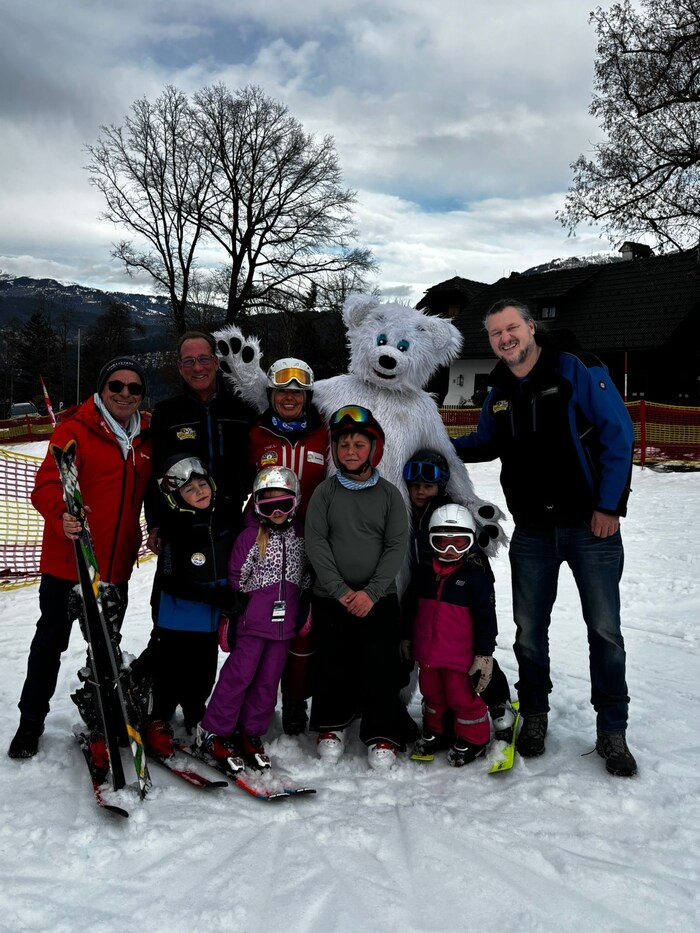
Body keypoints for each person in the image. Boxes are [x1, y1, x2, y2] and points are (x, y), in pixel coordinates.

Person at [453, 298, 637, 777]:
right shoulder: (497, 385)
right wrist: (436, 445)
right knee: (529, 633)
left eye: (511, 328)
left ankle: (612, 727)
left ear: (531, 327)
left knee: (605, 632)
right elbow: (485, 442)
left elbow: (619, 434)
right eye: (496, 333)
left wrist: (609, 506)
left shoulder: (576, 368)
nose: (505, 338)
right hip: (533, 530)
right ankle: (534, 714)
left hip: (589, 527)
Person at [8, 357, 152, 759]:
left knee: (106, 651)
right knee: (48, 647)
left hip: (115, 568)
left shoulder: (145, 439)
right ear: (102, 388)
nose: (125, 394)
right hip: (67, 565)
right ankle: (29, 724)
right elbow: (46, 486)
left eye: (134, 388)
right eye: (116, 386)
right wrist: (61, 514)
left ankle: (103, 716)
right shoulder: (74, 431)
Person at [304, 405, 409, 772]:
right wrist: (338, 589)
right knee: (332, 662)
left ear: (374, 449)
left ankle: (381, 731)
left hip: (377, 599)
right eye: (344, 444)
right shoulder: (325, 493)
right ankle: (332, 724)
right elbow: (316, 541)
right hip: (332, 598)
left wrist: (372, 592)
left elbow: (396, 545)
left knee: (379, 665)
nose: (350, 451)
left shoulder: (389, 496)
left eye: (358, 444)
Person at [196, 466, 311, 771]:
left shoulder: (299, 533)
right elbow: (237, 577)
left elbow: (305, 575)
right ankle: (215, 731)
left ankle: (251, 732)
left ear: (294, 503)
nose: (276, 512)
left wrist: (304, 608)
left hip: (284, 627)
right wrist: (235, 613)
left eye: (283, 505)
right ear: (257, 505)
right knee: (239, 677)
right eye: (268, 505)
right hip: (252, 624)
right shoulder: (250, 536)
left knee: (268, 682)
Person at [402, 449, 515, 741]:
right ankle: (438, 705)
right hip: (423, 584)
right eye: (415, 486)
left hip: (459, 585)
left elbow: (472, 550)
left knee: (468, 650)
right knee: (434, 650)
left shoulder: (451, 513)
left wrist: (476, 571)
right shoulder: (403, 509)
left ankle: (497, 699)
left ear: (440, 486)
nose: (420, 492)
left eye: (427, 486)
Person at [247, 358, 329, 735]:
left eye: (298, 391)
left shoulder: (323, 435)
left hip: (309, 540)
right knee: (263, 622)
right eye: (283, 391)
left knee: (302, 625)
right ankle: (255, 695)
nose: (290, 397)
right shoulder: (257, 434)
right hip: (266, 541)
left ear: (307, 396)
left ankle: (295, 700)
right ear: (272, 394)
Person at [141, 455, 243, 755]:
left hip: (209, 620)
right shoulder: (175, 528)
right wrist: (216, 597)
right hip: (176, 618)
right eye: (189, 490)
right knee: (169, 669)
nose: (199, 492)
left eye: (202, 484)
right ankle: (158, 716)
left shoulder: (224, 520)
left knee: (202, 671)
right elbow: (172, 581)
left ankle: (195, 711)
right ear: (176, 498)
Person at [145, 330, 258, 553]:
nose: (197, 368)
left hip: (231, 525)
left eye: (204, 359)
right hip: (180, 527)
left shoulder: (241, 410)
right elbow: (156, 469)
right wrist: (155, 523)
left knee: (233, 585)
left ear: (215, 363)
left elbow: (257, 458)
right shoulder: (166, 412)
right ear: (179, 367)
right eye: (189, 361)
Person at [407, 504, 500, 765]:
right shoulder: (424, 572)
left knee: (462, 697)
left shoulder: (475, 577)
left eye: (459, 543)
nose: (450, 550)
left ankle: (474, 738)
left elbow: (486, 618)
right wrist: (406, 637)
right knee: (432, 693)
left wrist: (484, 653)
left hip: (460, 657)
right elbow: (411, 607)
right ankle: (439, 732)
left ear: (470, 543)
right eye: (442, 542)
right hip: (428, 654)